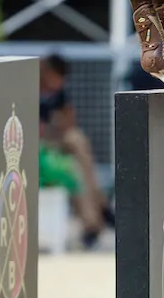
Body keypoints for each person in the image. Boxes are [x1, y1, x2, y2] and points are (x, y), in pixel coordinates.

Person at [39, 55, 112, 248]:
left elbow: (69, 119)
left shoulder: (58, 93)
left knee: (79, 144)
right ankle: (95, 216)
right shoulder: (31, 90)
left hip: (55, 138)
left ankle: (98, 206)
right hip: (38, 144)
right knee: (74, 169)